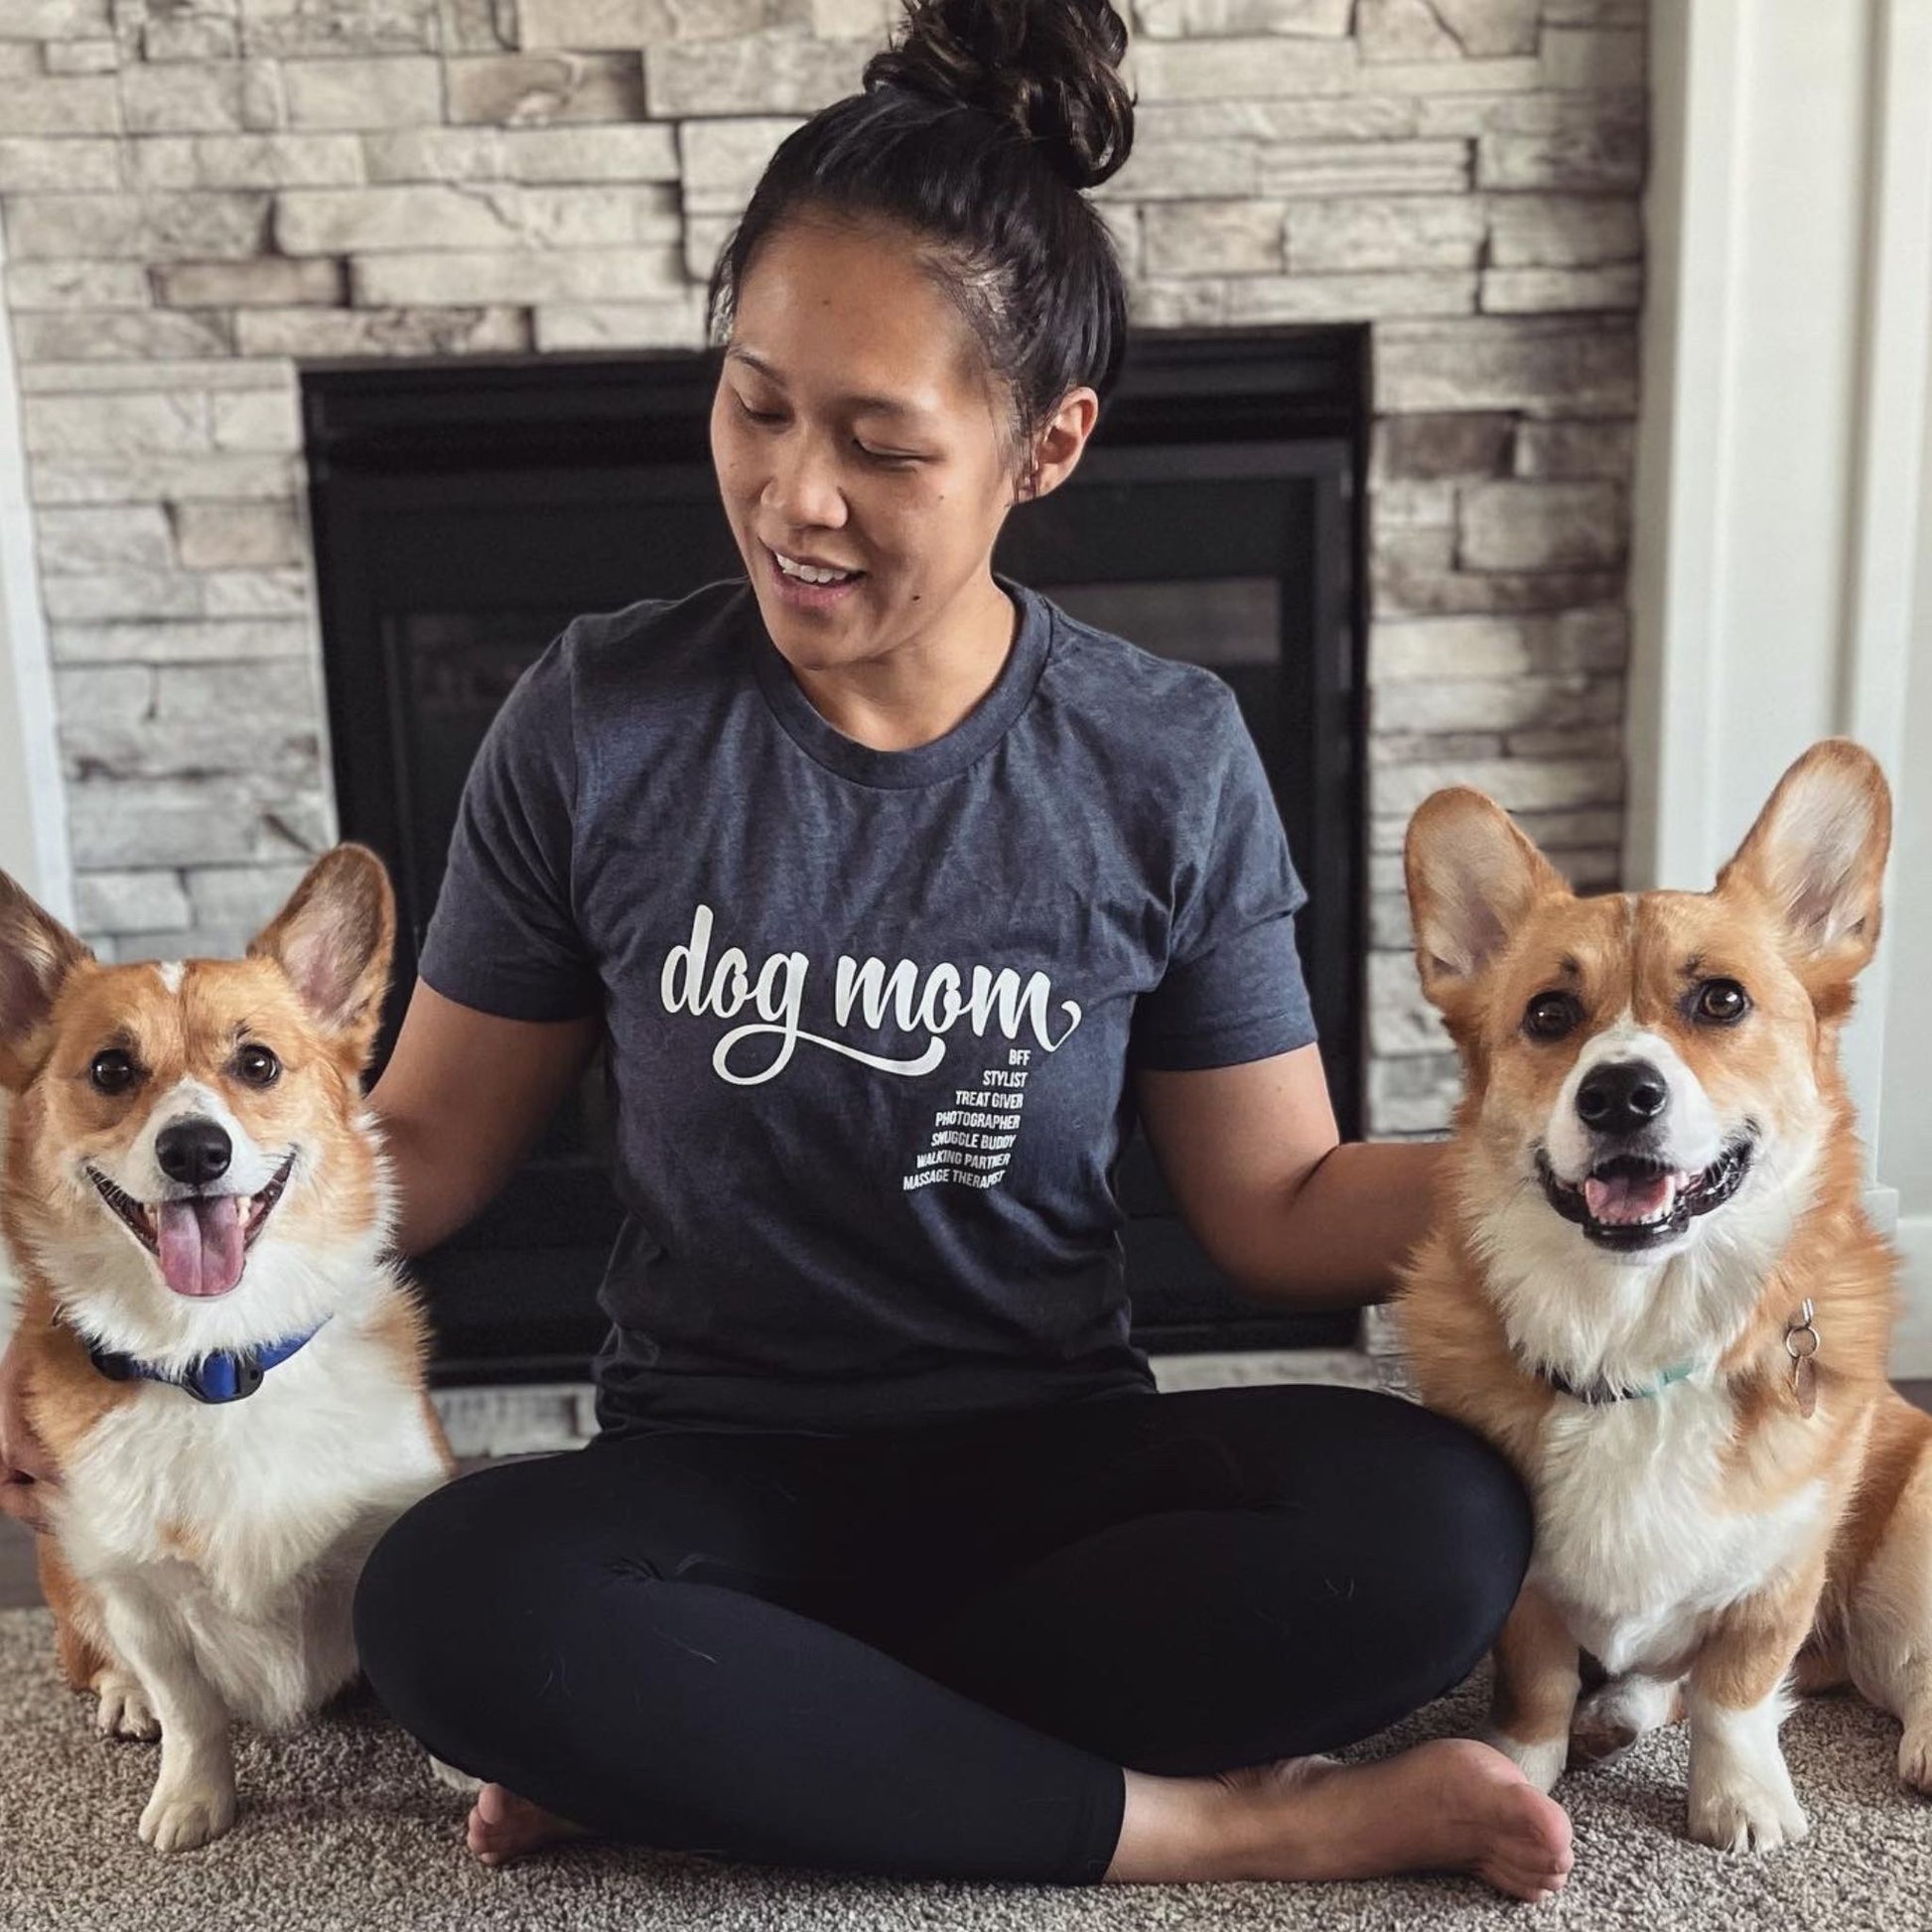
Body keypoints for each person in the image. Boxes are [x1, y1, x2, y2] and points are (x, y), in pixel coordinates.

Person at [0, 0, 1574, 1901]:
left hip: (1048, 1464)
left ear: (1045, 446)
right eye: (754, 406)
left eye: (879, 444)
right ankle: (1224, 1823)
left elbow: (1279, 1204)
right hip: (712, 1472)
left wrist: (1604, 1191)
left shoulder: (1161, 754)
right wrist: (107, 1328)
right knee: (444, 1606)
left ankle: (737, 1740)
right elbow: (415, 1145)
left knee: (1432, 1525)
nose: (790, 494)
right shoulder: (595, 719)